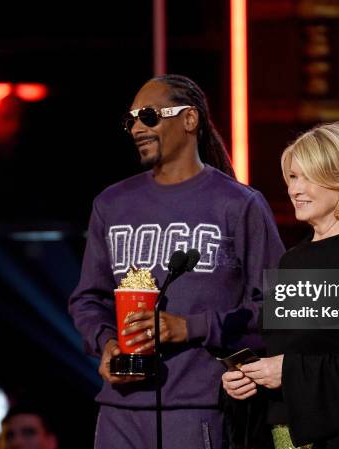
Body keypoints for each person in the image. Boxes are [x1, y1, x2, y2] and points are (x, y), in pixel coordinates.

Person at [68, 74, 284, 449]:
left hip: (199, 410)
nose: (136, 127)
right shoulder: (111, 204)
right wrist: (105, 344)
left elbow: (280, 306)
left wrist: (190, 327)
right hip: (119, 413)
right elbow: (87, 299)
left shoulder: (238, 204)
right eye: (130, 119)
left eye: (148, 116)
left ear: (189, 120)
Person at [222, 122, 339, 449]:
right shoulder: (290, 261)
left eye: (308, 177)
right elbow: (288, 355)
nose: (295, 189)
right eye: (293, 177)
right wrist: (249, 378)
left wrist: (289, 372)